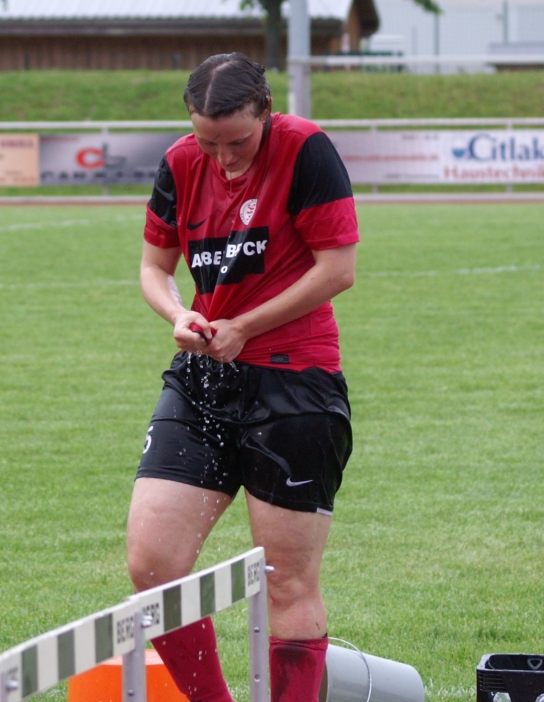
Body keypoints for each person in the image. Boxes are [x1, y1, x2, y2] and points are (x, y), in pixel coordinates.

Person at [127, 52, 359, 702]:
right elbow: (153, 267)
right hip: (203, 377)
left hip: (295, 384)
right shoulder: (179, 162)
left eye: (238, 142)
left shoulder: (305, 149)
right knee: (153, 566)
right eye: (209, 142)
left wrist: (246, 325)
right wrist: (179, 313)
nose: (224, 158)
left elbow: (338, 268)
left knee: (285, 580)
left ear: (266, 112)